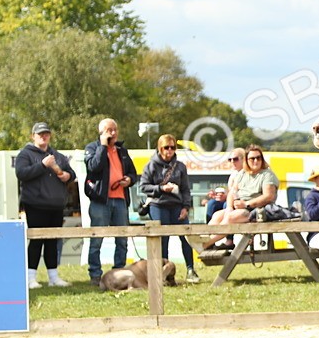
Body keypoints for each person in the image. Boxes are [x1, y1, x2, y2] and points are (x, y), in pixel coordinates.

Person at [14, 122, 76, 288]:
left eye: (46, 133)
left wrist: (68, 176)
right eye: (40, 134)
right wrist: (43, 165)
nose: (43, 136)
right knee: (36, 241)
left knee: (52, 241)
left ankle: (53, 277)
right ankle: (30, 278)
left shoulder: (57, 155)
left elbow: (72, 173)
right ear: (32, 136)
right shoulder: (25, 154)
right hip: (35, 204)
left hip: (56, 205)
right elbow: (21, 174)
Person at [82, 118, 137, 287]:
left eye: (115, 129)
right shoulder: (92, 148)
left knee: (122, 239)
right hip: (100, 201)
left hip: (120, 199)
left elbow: (133, 173)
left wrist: (129, 179)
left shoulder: (122, 150)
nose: (113, 133)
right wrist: (103, 146)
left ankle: (118, 272)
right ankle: (95, 274)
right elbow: (94, 167)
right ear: (101, 132)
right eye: (109, 130)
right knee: (97, 238)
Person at [192, 144, 279, 249]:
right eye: (252, 158)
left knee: (230, 217)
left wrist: (246, 204)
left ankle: (205, 244)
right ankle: (204, 239)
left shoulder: (267, 174)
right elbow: (232, 192)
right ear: (247, 160)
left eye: (258, 158)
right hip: (241, 207)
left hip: (259, 210)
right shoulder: (243, 173)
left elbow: (268, 196)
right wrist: (229, 207)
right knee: (217, 215)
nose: (256, 161)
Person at [140, 134, 200, 284]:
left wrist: (186, 207)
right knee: (163, 240)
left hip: (177, 206)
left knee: (186, 237)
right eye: (166, 147)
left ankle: (191, 270)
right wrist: (161, 188)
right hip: (158, 205)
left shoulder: (180, 167)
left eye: (173, 147)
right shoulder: (151, 165)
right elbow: (144, 186)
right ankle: (163, 273)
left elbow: (186, 189)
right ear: (160, 149)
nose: (170, 150)